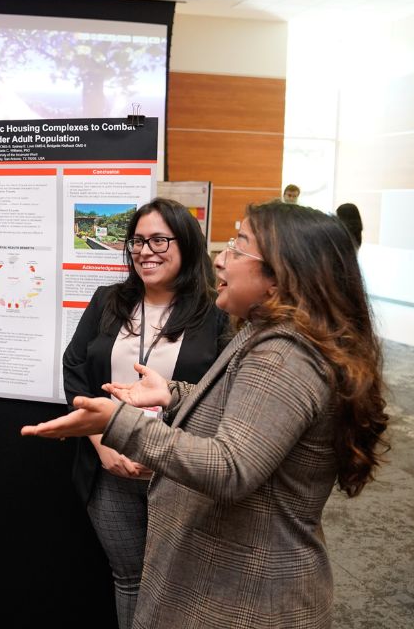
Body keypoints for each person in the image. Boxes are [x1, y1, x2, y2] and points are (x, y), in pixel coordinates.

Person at [24, 202, 389, 628]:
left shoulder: (283, 355)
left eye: (239, 246)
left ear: (279, 275)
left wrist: (117, 423)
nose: (222, 258)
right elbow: (243, 408)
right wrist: (173, 392)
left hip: (251, 594)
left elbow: (230, 466)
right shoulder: (264, 334)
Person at [62, 198, 228, 629]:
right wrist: (102, 448)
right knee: (129, 577)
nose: (144, 251)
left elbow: (222, 396)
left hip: (177, 473)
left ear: (186, 245)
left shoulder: (216, 314)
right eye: (136, 241)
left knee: (180, 580)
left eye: (158, 240)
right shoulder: (108, 301)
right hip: (111, 469)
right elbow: (75, 371)